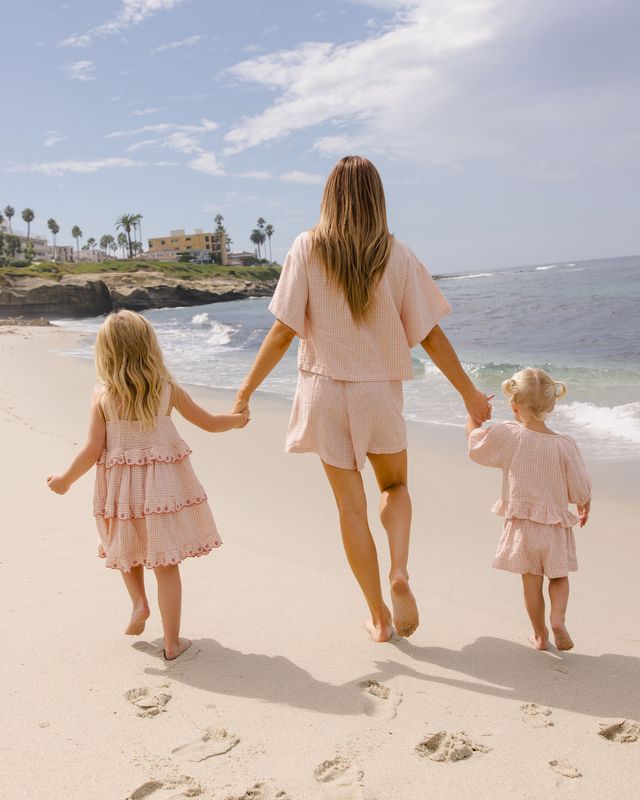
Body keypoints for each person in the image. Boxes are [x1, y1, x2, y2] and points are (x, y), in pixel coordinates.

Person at [231, 155, 492, 642]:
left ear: (330, 196)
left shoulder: (306, 248)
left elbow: (283, 331)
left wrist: (244, 394)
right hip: (377, 392)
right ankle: (399, 571)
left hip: (324, 391)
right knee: (394, 488)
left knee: (350, 508)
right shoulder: (398, 255)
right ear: (378, 198)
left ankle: (379, 617)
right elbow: (430, 337)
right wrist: (470, 395)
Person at [47, 310, 248, 660]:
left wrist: (65, 479)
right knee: (166, 565)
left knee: (125, 547)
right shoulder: (167, 389)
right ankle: (172, 643)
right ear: (149, 346)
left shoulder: (104, 397)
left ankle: (139, 603)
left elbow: (92, 450)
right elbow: (209, 422)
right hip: (162, 492)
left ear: (106, 351)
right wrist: (237, 419)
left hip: (121, 493)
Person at [467, 367, 591, 651]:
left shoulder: (509, 435)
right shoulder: (564, 445)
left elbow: (475, 447)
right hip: (555, 530)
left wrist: (472, 416)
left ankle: (540, 635)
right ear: (551, 404)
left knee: (531, 584)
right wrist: (585, 502)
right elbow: (580, 489)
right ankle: (558, 619)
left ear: (514, 405)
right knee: (558, 577)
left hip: (523, 528)